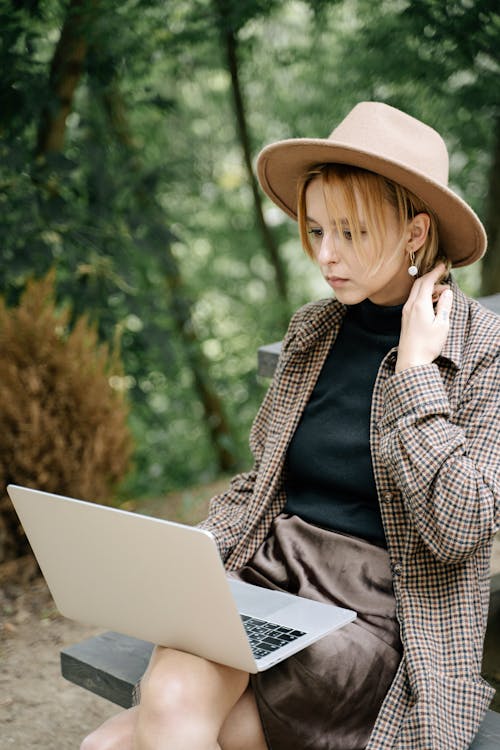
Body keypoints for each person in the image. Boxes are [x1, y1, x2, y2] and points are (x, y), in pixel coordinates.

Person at [81, 102, 499, 750]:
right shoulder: (317, 329)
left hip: (375, 621)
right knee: (136, 723)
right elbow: (260, 484)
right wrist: (190, 561)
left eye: (351, 234)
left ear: (416, 234)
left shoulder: (484, 349)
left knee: (116, 744)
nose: (326, 256)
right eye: (316, 230)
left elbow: (461, 526)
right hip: (272, 580)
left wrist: (417, 372)